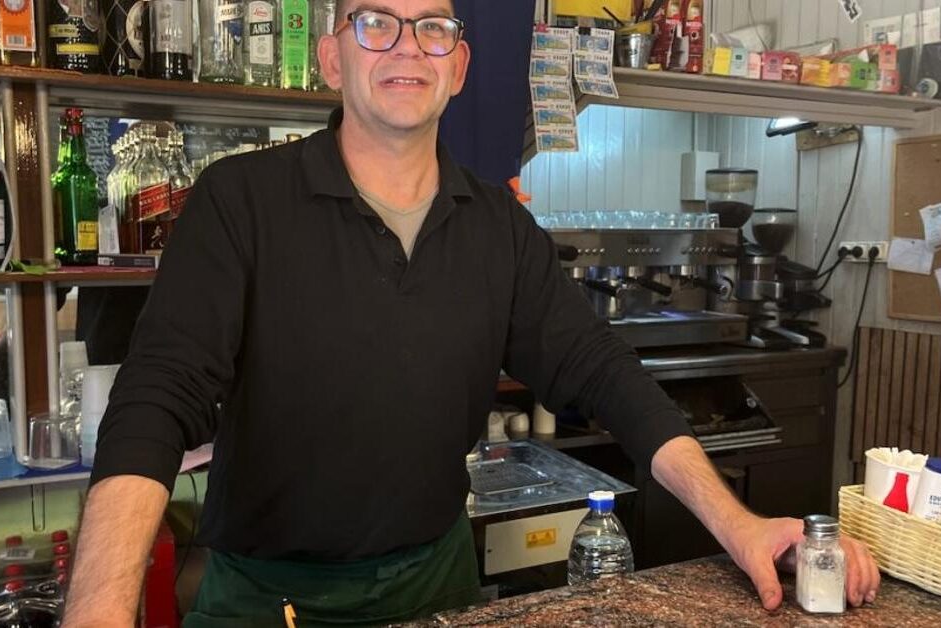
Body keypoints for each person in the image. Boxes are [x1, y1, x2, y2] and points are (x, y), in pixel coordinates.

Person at [62, 1, 881, 625]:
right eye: (376, 23)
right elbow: (159, 394)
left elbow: (604, 373)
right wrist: (100, 608)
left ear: (457, 66)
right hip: (266, 598)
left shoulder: (498, 226)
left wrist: (738, 525)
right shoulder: (240, 202)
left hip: (439, 587)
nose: (406, 47)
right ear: (331, 57)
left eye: (432, 29)